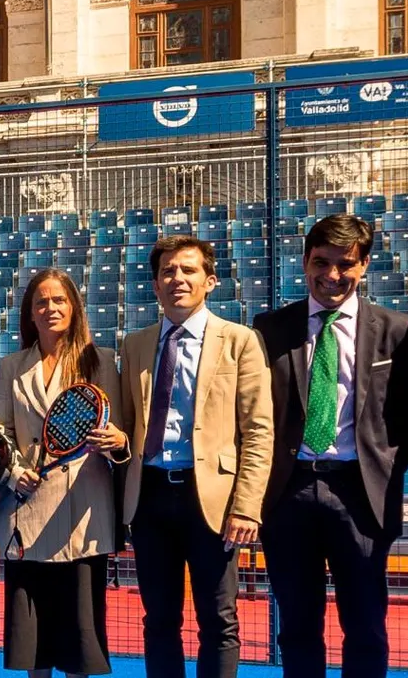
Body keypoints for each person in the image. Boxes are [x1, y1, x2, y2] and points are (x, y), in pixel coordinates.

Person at [254, 215, 408, 678]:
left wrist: (380, 468)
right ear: (304, 261)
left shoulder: (401, 331)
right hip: (288, 494)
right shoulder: (269, 329)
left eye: (345, 264)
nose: (332, 275)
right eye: (321, 262)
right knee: (297, 627)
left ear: (365, 265)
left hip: (360, 494)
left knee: (366, 626)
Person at [119, 234, 274, 678]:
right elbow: (128, 428)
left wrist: (246, 505)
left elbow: (258, 430)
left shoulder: (239, 341)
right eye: (167, 271)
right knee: (159, 620)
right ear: (154, 284)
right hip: (149, 498)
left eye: (188, 270)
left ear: (210, 281)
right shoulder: (136, 345)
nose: (177, 279)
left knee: (219, 621)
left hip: (213, 499)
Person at [0, 268, 129, 678]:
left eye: (59, 300)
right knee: (36, 647)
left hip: (81, 518)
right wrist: (15, 473)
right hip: (25, 515)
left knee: (78, 645)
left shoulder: (100, 360)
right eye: (41, 302)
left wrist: (117, 441)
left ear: (74, 308)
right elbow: (1, 432)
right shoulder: (11, 366)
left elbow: (120, 431)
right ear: (29, 314)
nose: (50, 308)